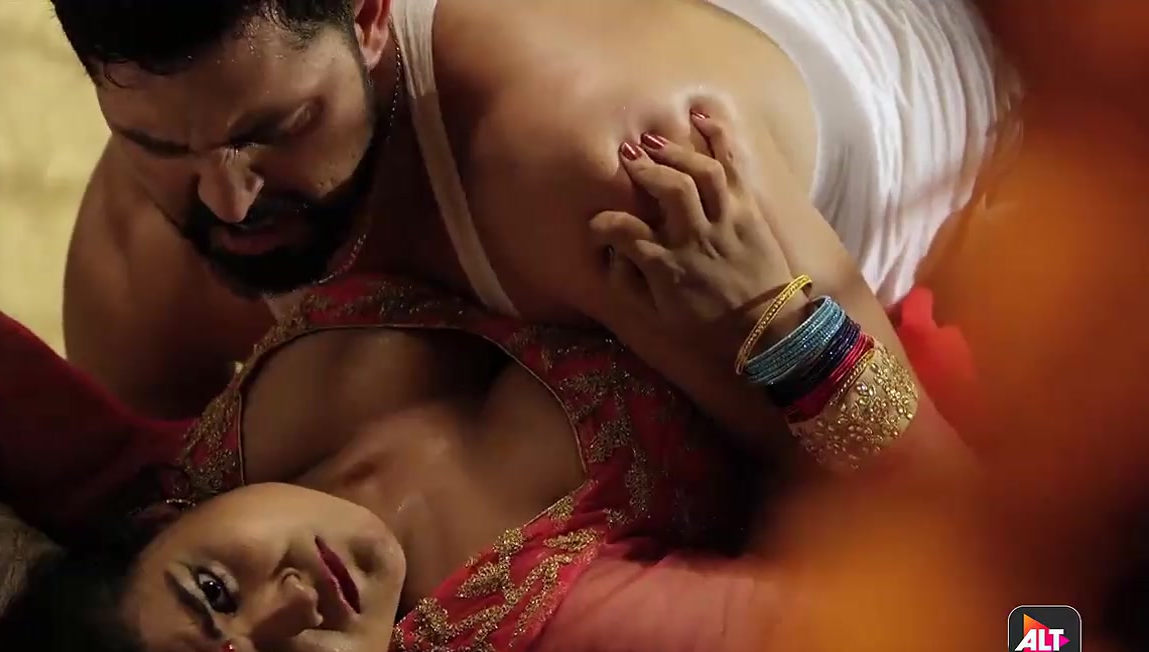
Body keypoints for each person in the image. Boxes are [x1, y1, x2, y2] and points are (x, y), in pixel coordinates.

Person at [0, 118, 971, 652]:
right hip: (855, 221)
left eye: (214, 591)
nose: (300, 602)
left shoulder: (161, 475)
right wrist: (783, 322)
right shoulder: (554, 627)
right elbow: (980, 622)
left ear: (149, 533)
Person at [55, 0, 1003, 432]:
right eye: (158, 147)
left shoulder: (609, 171)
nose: (230, 201)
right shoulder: (145, 253)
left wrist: (785, 325)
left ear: (371, 17)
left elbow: (926, 497)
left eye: (278, 129)